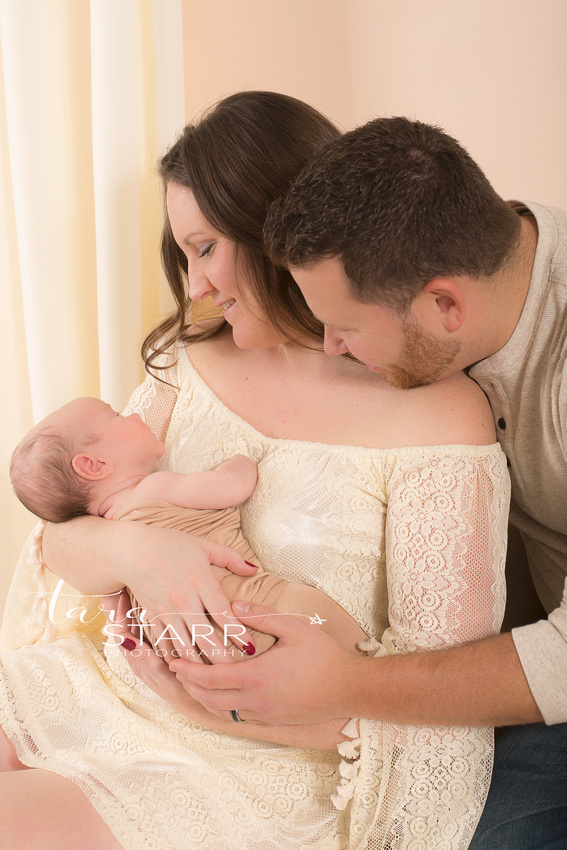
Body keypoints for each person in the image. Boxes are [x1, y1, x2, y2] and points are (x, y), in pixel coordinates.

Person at [0, 93, 509, 850]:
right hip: (103, 683)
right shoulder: (186, 361)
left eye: (205, 248)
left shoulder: (434, 416)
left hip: (248, 763)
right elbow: (61, 538)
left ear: (275, 231)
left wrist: (245, 704)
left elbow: (444, 695)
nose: (195, 283)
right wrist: (138, 552)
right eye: (185, 255)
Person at [178, 116, 567, 848]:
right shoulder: (454, 243)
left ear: (443, 304)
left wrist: (340, 686)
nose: (329, 349)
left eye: (344, 330)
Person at [9, 396, 367, 662]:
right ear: (93, 464)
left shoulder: (111, 525)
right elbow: (230, 487)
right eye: (116, 415)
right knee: (323, 623)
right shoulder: (154, 489)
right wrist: (242, 460)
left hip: (188, 642)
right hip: (251, 604)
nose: (134, 412)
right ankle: (363, 658)